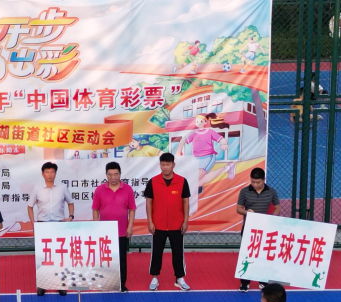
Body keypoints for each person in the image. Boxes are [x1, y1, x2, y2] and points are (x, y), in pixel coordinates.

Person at [145, 153, 191, 291]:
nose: (165, 167)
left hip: (177, 224)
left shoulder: (182, 181)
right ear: (160, 165)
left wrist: (185, 221)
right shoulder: (153, 181)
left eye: (168, 164)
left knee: (178, 253)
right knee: (156, 252)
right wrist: (150, 221)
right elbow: (149, 202)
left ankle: (179, 278)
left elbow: (185, 202)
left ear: (173, 165)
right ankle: (154, 277)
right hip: (158, 224)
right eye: (163, 164)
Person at [28, 162, 75, 296]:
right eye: (47, 172)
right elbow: (30, 206)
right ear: (42, 174)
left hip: (59, 225)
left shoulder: (62, 187)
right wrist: (33, 223)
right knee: (43, 256)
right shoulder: (37, 189)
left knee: (59, 255)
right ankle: (42, 285)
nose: (50, 174)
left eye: (52, 171)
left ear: (55, 173)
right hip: (42, 225)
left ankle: (60, 284)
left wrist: (70, 217)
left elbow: (71, 202)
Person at [92, 162, 136, 292]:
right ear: (106, 175)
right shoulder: (99, 190)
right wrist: (96, 226)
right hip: (105, 232)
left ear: (120, 174)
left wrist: (130, 227)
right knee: (105, 259)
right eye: (110, 174)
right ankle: (105, 283)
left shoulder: (127, 189)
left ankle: (121, 284)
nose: (113, 177)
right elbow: (95, 209)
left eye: (116, 174)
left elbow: (132, 209)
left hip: (122, 231)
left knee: (121, 259)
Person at [236, 167, 281, 292]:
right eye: (253, 182)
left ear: (263, 180)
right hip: (249, 228)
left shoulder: (271, 192)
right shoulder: (244, 191)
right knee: (247, 254)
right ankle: (245, 282)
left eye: (258, 182)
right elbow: (239, 209)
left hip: (265, 228)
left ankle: (263, 281)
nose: (255, 184)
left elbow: (277, 207)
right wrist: (247, 212)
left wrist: (273, 218)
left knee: (263, 255)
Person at [175, 114, 236, 193]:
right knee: (196, 183)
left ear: (205, 122)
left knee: (193, 179)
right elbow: (183, 140)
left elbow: (222, 139)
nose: (198, 122)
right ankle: (228, 167)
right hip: (195, 159)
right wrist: (178, 152)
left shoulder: (209, 132)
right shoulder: (194, 133)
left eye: (200, 121)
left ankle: (228, 168)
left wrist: (224, 144)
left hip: (207, 157)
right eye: (197, 121)